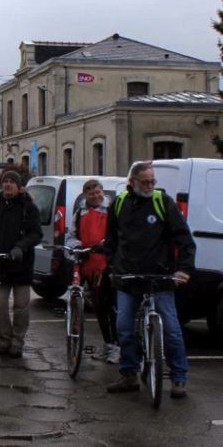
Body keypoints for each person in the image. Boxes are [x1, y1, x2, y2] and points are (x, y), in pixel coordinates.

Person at [104, 163, 195, 399]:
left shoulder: (162, 202)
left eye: (152, 181)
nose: (150, 186)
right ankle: (129, 374)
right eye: (145, 182)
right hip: (128, 277)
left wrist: (183, 270)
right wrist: (113, 267)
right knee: (123, 327)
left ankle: (179, 378)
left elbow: (184, 238)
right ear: (132, 182)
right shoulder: (119, 204)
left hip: (160, 276)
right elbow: (111, 242)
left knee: (172, 330)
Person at [0, 170, 43, 358]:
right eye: (5, 181)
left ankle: (17, 341)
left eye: (11, 182)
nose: (7, 185)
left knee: (21, 307)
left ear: (18, 185)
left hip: (21, 264)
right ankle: (4, 340)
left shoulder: (28, 207)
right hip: (0, 264)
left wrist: (20, 247)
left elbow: (36, 234)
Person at [65, 179, 118, 364]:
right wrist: (76, 246)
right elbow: (71, 236)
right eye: (91, 194)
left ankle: (115, 346)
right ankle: (108, 344)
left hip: (105, 266)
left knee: (108, 307)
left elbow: (115, 236)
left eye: (98, 192)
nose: (95, 196)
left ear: (102, 192)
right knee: (97, 308)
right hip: (86, 264)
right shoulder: (80, 213)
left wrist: (103, 246)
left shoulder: (111, 212)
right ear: (85, 196)